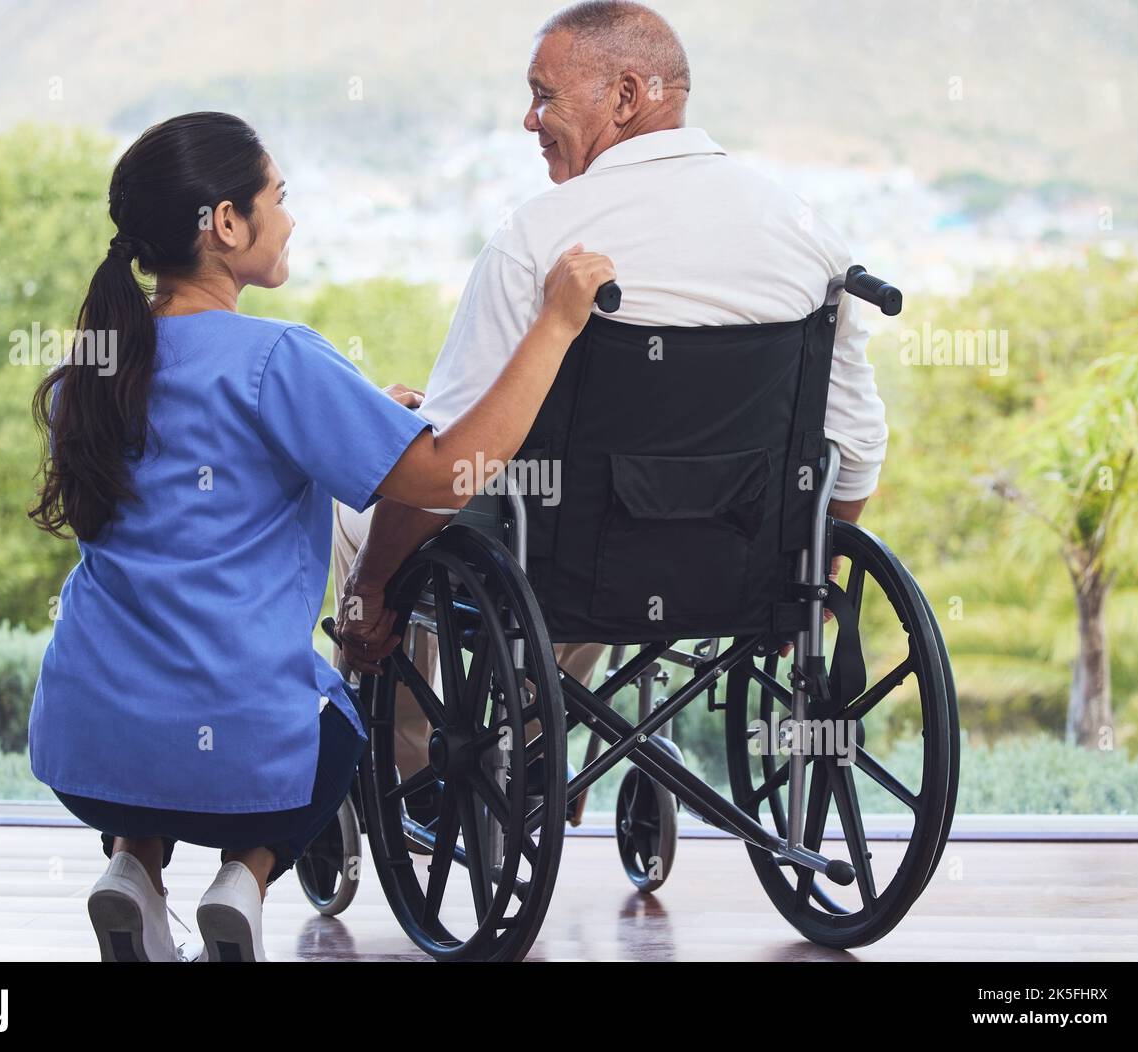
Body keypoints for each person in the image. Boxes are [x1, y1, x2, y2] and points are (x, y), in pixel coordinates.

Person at [27, 111, 615, 962]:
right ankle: (245, 879)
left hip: (85, 747)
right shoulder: (277, 359)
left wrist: (368, 419)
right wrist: (556, 321)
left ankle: (132, 868)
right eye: (279, 195)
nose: (291, 217)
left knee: (155, 708)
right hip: (245, 769)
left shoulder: (92, 372)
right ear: (226, 224)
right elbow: (449, 474)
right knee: (343, 706)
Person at [335, 0, 889, 824]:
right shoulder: (807, 236)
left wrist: (373, 588)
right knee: (574, 518)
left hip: (569, 559)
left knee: (366, 507)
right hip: (739, 562)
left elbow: (447, 467)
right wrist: (815, 572)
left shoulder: (541, 237)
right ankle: (533, 740)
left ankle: (422, 783)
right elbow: (858, 443)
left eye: (544, 96)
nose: (529, 120)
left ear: (627, 96)